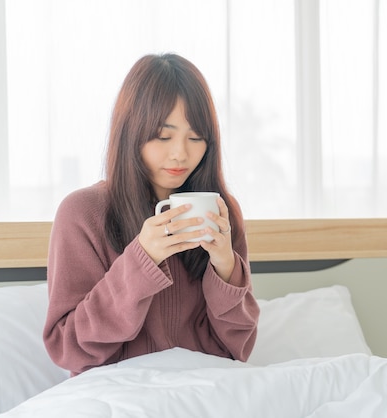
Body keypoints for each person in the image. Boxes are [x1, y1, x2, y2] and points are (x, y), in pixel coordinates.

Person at [43, 53, 259, 376]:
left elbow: (237, 349)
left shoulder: (221, 212)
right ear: (131, 132)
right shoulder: (81, 214)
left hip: (206, 394)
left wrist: (225, 266)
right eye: (163, 135)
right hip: (118, 398)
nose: (180, 153)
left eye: (196, 137)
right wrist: (141, 261)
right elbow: (67, 347)